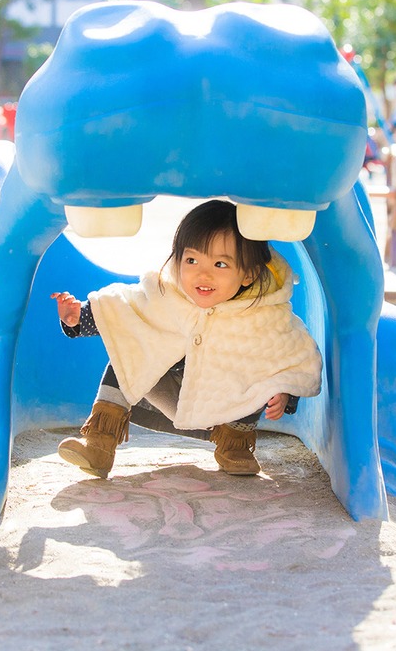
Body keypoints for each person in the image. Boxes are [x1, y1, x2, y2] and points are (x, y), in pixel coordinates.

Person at [50, 200, 323, 478]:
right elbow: (125, 311)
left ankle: (235, 447)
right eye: (191, 260)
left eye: (220, 264)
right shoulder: (169, 293)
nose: (202, 274)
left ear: (248, 274)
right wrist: (78, 317)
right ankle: (99, 443)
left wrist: (284, 392)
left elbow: (291, 355)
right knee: (129, 347)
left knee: (257, 372)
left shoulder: (263, 312)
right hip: (169, 396)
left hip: (227, 409)